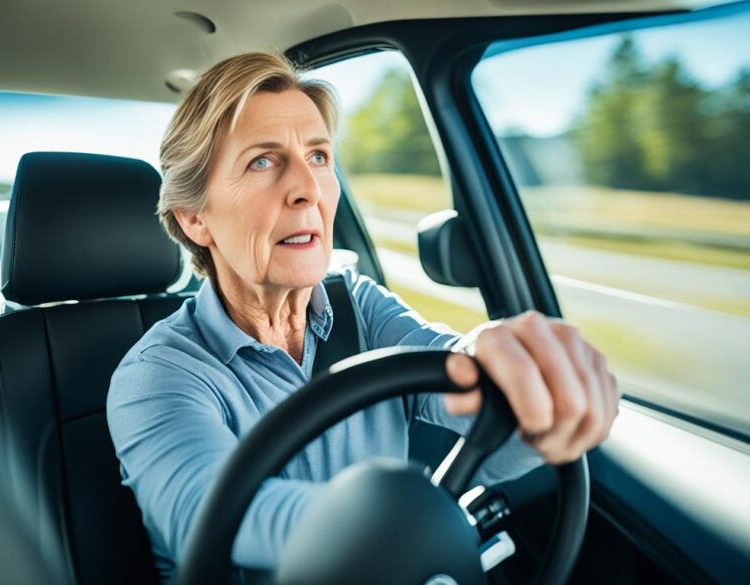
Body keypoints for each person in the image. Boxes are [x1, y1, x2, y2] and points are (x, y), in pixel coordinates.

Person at [107, 51, 620, 581]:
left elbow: (458, 380)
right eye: (263, 161)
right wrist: (398, 529)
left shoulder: (357, 304)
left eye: (320, 156)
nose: (307, 188)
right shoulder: (157, 374)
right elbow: (209, 515)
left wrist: (529, 385)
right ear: (195, 219)